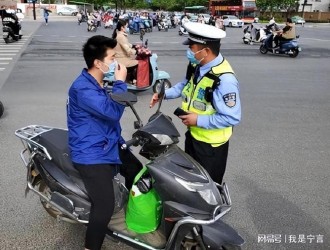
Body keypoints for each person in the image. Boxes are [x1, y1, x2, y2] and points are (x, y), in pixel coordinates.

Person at [67, 35, 142, 250]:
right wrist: (120, 82)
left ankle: (133, 217)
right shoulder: (82, 88)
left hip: (108, 143)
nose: (116, 62)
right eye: (112, 57)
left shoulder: (97, 82)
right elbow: (111, 112)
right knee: (104, 205)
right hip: (90, 152)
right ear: (98, 63)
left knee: (138, 172)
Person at [149, 22, 241, 185]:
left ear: (205, 51)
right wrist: (163, 94)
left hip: (211, 145)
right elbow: (185, 85)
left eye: (192, 48)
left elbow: (232, 118)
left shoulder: (224, 80)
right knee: (193, 181)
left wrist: (198, 120)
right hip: (193, 135)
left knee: (209, 186)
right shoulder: (197, 65)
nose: (189, 52)